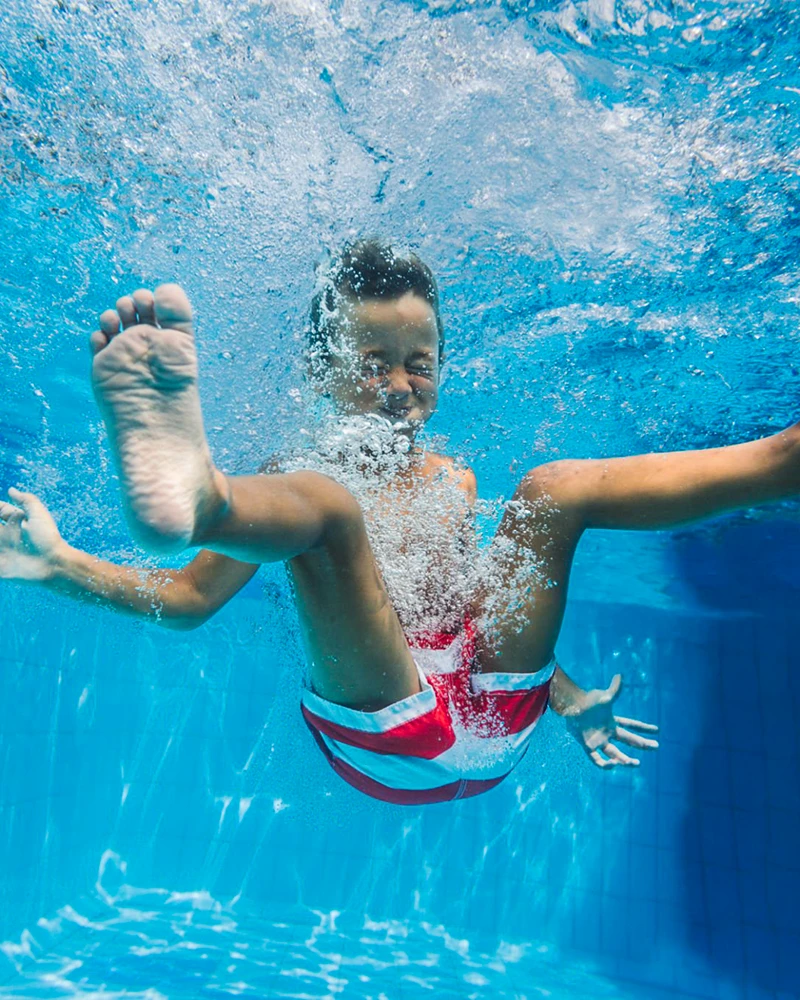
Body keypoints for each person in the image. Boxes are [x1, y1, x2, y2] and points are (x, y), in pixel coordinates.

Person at [3, 241, 796, 805]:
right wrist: (59, 563)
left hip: (501, 718)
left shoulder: (454, 480)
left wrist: (569, 697)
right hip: (385, 744)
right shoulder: (293, 480)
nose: (399, 384)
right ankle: (202, 507)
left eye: (419, 363)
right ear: (320, 372)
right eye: (371, 362)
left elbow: (472, 616)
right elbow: (187, 602)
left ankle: (782, 463)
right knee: (328, 506)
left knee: (553, 490)